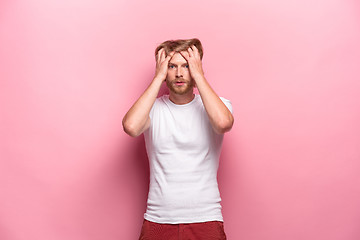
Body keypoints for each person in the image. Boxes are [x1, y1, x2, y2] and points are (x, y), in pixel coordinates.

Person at [122, 38, 234, 240]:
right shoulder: (152, 109)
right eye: (172, 66)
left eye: (186, 66)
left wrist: (199, 75)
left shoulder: (218, 105)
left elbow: (223, 123)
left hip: (206, 218)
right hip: (158, 219)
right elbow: (130, 127)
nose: (180, 73)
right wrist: (158, 78)